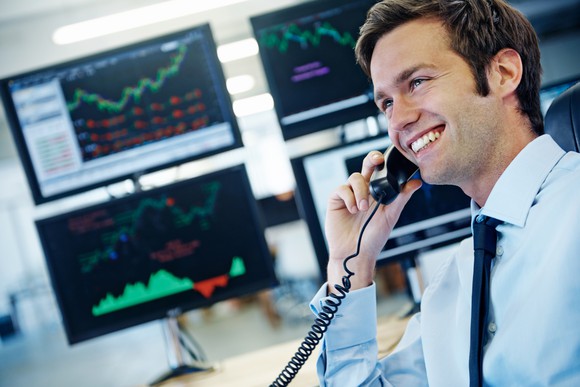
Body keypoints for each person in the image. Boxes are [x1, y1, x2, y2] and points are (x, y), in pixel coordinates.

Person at [309, 0, 580, 385]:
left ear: (503, 73)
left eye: (416, 83)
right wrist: (349, 264)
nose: (398, 120)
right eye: (386, 103)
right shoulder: (450, 289)